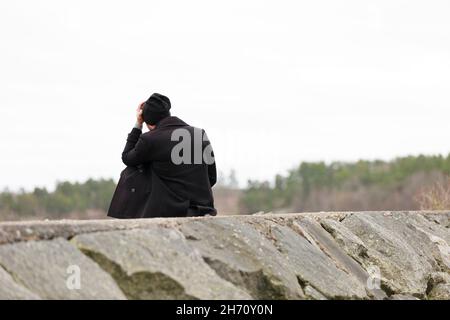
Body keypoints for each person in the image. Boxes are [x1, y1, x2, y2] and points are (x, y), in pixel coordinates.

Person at [108, 93, 217, 218]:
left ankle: (135, 215)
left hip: (171, 211)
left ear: (149, 122)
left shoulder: (150, 139)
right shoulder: (199, 134)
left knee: (132, 170)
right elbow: (212, 177)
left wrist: (138, 124)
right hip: (203, 210)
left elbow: (127, 157)